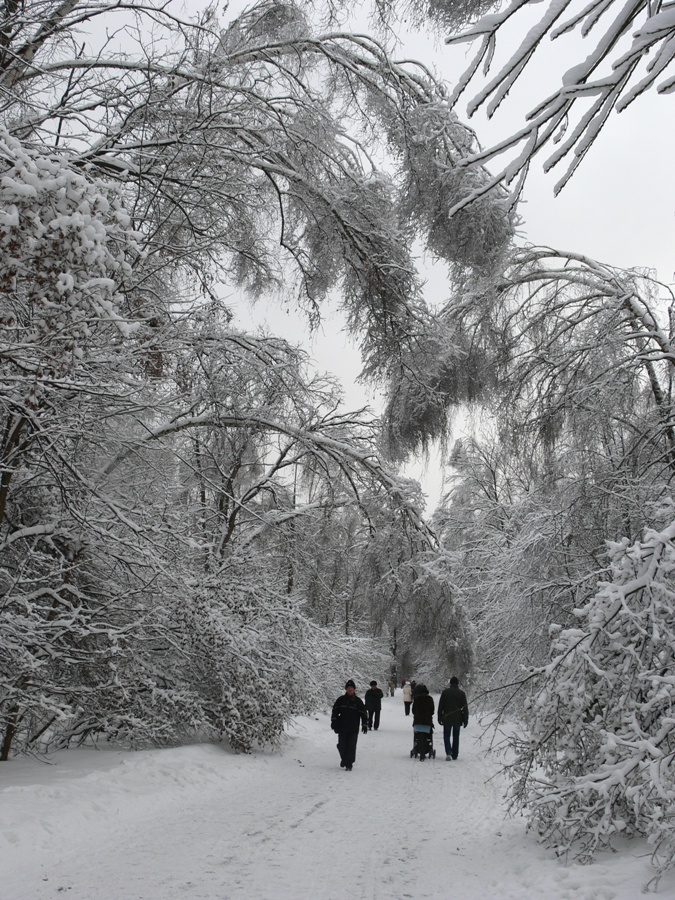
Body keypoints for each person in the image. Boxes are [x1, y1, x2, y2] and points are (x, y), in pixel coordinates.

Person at [331, 679, 367, 771]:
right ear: (346, 689)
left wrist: (364, 724)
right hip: (342, 727)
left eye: (351, 688)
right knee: (342, 745)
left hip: (353, 728)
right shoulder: (341, 700)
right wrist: (334, 721)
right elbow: (335, 711)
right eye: (348, 688)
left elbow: (363, 713)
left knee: (351, 746)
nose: (350, 689)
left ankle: (349, 764)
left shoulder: (358, 701)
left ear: (354, 689)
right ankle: (344, 759)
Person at [437, 676, 469, 761]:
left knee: (446, 736)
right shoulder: (461, 693)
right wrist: (465, 720)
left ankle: (448, 752)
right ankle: (455, 754)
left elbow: (441, 706)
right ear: (458, 683)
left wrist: (439, 717)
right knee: (456, 736)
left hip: (447, 717)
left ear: (450, 683)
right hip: (457, 719)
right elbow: (465, 708)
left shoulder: (445, 693)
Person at [411, 683, 435, 759]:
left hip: (418, 721)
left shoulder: (416, 699)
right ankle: (429, 748)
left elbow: (413, 710)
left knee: (416, 735)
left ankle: (416, 748)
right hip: (427, 721)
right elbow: (432, 711)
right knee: (429, 734)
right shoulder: (430, 699)